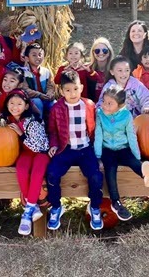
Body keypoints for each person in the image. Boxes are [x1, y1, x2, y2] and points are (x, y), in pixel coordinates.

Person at [46, 71, 103, 231]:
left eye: (75, 89)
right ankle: (56, 206)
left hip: (85, 148)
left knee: (95, 176)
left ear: (81, 88)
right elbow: (52, 131)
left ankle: (95, 206)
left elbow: (95, 128)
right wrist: (54, 144)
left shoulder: (89, 105)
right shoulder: (57, 108)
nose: (72, 93)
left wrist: (98, 150)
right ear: (62, 91)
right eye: (68, 90)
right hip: (66, 149)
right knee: (52, 174)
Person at [94, 85, 149, 221]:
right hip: (107, 150)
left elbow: (131, 136)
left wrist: (137, 156)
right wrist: (97, 156)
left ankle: (145, 173)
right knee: (110, 170)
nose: (105, 105)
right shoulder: (100, 114)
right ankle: (116, 202)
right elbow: (98, 134)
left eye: (110, 103)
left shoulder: (126, 115)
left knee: (132, 162)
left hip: (123, 147)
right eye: (104, 101)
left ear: (120, 105)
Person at [2, 89, 50, 236]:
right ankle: (32, 206)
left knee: (36, 172)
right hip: (26, 153)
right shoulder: (9, 120)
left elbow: (40, 146)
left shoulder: (32, 122)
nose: (15, 106)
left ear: (26, 106)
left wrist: (21, 134)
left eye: (19, 104)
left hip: (41, 152)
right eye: (11, 103)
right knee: (21, 169)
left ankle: (27, 213)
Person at [21, 43, 56, 118]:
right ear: (27, 58)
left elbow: (50, 86)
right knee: (37, 102)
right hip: (31, 99)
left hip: (45, 97)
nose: (38, 57)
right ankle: (39, 124)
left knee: (54, 104)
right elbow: (25, 89)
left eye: (40, 54)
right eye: (34, 55)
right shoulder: (24, 73)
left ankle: (53, 126)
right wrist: (39, 95)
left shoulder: (46, 71)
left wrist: (49, 94)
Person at [87, 37, 115, 103]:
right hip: (91, 107)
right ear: (93, 53)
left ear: (109, 52)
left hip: (110, 108)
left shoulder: (114, 70)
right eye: (97, 51)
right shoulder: (88, 69)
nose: (101, 53)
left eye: (105, 50)